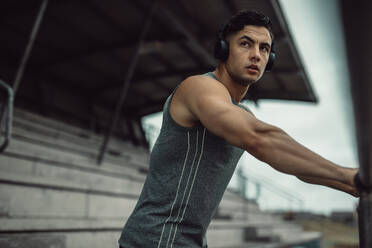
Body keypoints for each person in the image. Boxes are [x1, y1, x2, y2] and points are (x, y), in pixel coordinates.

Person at [119, 10, 358, 248]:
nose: (256, 55)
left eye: (264, 48)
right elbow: (259, 138)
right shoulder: (198, 87)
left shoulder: (243, 114)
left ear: (270, 60)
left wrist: (351, 184)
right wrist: (345, 175)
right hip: (155, 240)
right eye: (246, 44)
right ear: (223, 50)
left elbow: (297, 168)